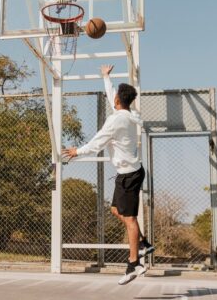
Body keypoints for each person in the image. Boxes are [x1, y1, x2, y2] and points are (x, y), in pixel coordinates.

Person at [62, 65, 155, 285]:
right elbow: (112, 95)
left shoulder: (115, 121)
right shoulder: (130, 115)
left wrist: (77, 152)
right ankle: (143, 243)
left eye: (114, 96)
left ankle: (134, 264)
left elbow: (97, 142)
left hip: (129, 175)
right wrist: (106, 77)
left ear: (117, 100)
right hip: (130, 172)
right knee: (116, 210)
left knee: (130, 219)